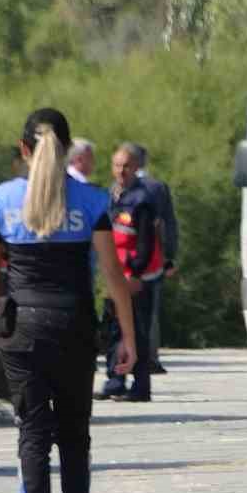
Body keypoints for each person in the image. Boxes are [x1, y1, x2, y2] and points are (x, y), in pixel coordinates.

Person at [0, 108, 137, 493]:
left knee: (32, 431)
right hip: (74, 324)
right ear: (65, 149)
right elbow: (113, 275)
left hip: (21, 326)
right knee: (73, 432)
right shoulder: (91, 202)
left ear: (24, 150)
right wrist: (127, 338)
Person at [96, 145, 163, 402]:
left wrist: (135, 274)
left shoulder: (142, 200)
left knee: (138, 331)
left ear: (136, 167)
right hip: (113, 275)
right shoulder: (109, 197)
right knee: (113, 329)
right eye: (117, 165)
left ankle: (141, 385)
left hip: (134, 277)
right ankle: (115, 380)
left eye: (126, 165)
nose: (121, 171)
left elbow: (146, 242)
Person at [128, 142, 179, 375]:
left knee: (123, 309)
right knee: (150, 310)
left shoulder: (116, 187)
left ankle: (125, 357)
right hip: (153, 260)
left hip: (122, 258)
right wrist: (169, 257)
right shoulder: (157, 187)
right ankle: (150, 358)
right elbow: (168, 225)